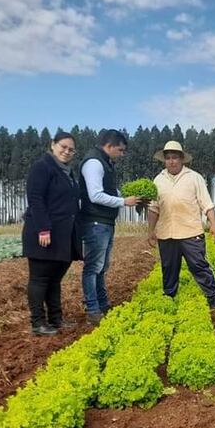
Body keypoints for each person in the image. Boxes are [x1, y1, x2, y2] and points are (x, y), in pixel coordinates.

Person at [147, 141, 215, 308]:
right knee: (168, 267)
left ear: (182, 159)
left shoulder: (194, 177)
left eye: (175, 157)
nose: (171, 161)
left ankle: (214, 296)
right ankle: (169, 296)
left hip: (191, 232)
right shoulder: (158, 180)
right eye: (168, 158)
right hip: (166, 233)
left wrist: (214, 225)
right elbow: (154, 208)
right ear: (164, 161)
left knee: (198, 265)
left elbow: (207, 204)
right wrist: (151, 230)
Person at [21, 131, 82, 335]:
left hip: (62, 235)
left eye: (71, 149)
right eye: (63, 146)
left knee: (54, 279)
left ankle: (56, 319)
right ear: (53, 145)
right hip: (44, 233)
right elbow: (36, 199)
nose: (67, 151)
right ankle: (38, 323)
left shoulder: (67, 171)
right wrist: (43, 229)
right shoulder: (43, 166)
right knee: (40, 278)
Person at [79, 129, 139, 324]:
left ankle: (102, 304)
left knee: (101, 266)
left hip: (104, 222)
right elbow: (95, 195)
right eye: (120, 150)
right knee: (93, 267)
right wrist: (123, 201)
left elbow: (109, 190)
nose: (122, 154)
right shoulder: (94, 163)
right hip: (95, 223)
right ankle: (93, 309)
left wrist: (129, 195)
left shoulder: (106, 163)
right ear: (109, 146)